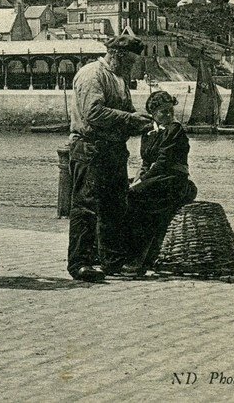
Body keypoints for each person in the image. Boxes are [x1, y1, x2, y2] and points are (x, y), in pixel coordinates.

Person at [67, 35, 154, 283]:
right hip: (90, 149)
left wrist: (138, 122)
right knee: (86, 206)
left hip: (114, 150)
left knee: (115, 205)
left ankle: (112, 261)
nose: (132, 68)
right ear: (116, 55)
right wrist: (130, 120)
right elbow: (93, 113)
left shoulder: (119, 78)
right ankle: (80, 263)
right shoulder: (91, 74)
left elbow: (121, 113)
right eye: (130, 63)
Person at [123, 90, 198, 276]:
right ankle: (123, 254)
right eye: (163, 112)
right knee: (125, 194)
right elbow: (147, 161)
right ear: (153, 113)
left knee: (140, 199)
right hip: (157, 178)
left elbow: (164, 162)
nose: (168, 115)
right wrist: (138, 176)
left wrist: (141, 181)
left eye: (170, 111)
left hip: (174, 181)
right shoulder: (148, 133)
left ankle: (140, 260)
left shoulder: (175, 130)